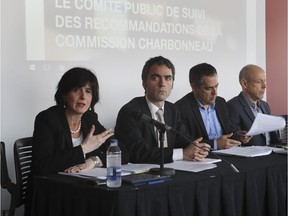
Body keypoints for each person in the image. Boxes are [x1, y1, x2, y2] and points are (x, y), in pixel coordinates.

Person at [32, 67, 129, 176]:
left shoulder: (89, 119)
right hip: (51, 187)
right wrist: (84, 149)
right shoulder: (47, 119)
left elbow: (122, 153)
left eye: (88, 91)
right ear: (64, 94)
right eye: (77, 90)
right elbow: (43, 165)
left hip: (81, 185)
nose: (83, 97)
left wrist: (94, 161)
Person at [115, 56, 210, 164]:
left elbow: (184, 140)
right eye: (155, 78)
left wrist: (197, 148)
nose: (162, 84)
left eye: (168, 78)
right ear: (144, 83)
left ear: (172, 84)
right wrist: (182, 154)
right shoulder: (130, 112)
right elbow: (138, 152)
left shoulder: (173, 109)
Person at [175, 63, 243, 150]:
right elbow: (184, 142)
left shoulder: (221, 102)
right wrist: (215, 144)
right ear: (194, 87)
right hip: (201, 159)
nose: (215, 93)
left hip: (228, 154)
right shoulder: (181, 108)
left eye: (216, 86)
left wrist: (238, 136)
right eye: (209, 88)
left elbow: (228, 133)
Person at [227, 64, 281, 146]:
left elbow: (272, 136)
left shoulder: (265, 105)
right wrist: (239, 137)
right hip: (250, 157)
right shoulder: (232, 106)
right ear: (244, 84)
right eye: (259, 82)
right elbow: (232, 137)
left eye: (265, 81)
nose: (264, 86)